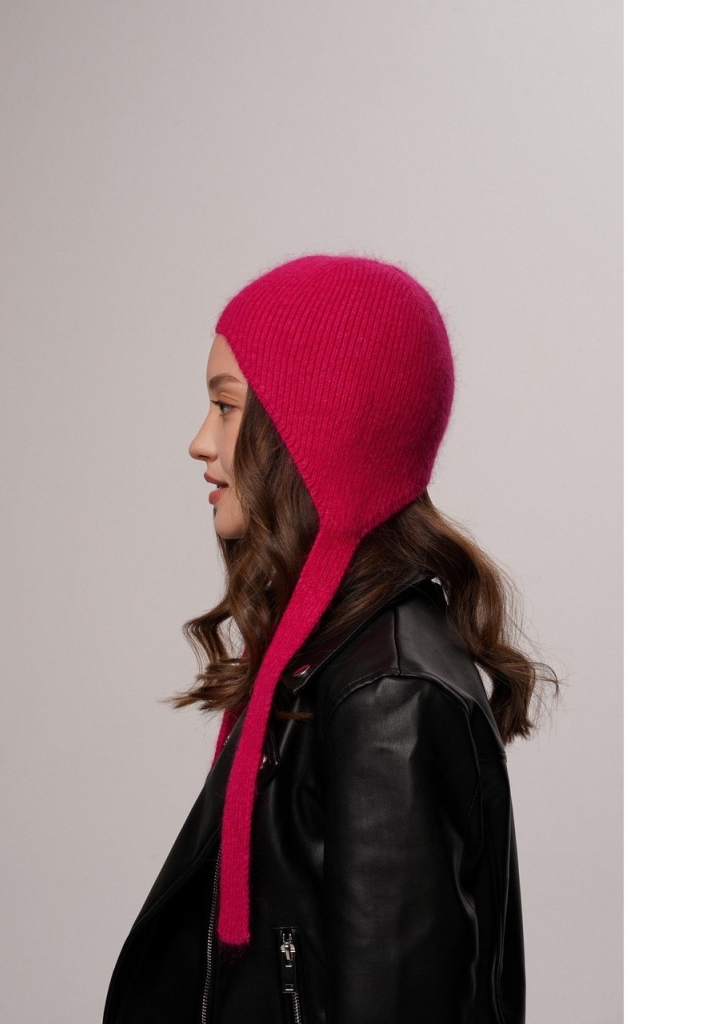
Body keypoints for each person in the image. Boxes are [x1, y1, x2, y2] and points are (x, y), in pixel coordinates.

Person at [102, 255, 556, 1024]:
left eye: (226, 407)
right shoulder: (332, 659)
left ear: (316, 430)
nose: (200, 443)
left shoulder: (387, 694)